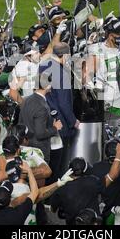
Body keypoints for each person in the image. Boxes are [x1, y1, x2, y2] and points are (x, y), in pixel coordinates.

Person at [86, 15, 120, 153]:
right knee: (113, 142)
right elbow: (87, 77)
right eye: (117, 34)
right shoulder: (97, 50)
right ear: (109, 34)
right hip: (110, 104)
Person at [50, 142, 120, 225]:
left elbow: (53, 210)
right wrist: (118, 153)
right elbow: (113, 175)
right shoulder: (92, 182)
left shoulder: (60, 189)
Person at [39, 42, 79, 184]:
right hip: (61, 123)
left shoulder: (43, 66)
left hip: (46, 120)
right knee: (59, 166)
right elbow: (63, 103)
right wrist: (73, 121)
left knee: (48, 161)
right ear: (66, 55)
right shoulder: (61, 73)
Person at [18, 70, 63, 163]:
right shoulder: (42, 107)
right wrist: (55, 128)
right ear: (47, 86)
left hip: (25, 147)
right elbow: (40, 134)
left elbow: (21, 124)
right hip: (39, 151)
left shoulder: (26, 100)